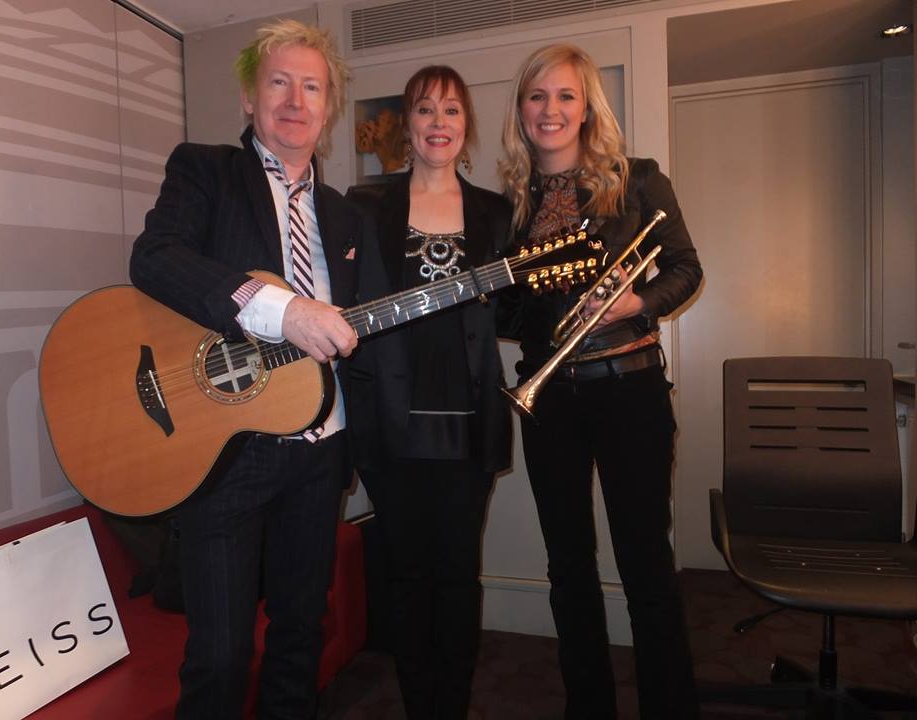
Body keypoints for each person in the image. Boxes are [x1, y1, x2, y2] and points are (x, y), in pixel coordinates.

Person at [129, 20, 361, 720]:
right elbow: (155, 259)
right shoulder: (205, 170)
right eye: (278, 82)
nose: (295, 100)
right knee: (221, 657)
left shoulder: (343, 215)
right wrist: (281, 310)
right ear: (248, 98)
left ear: (328, 107)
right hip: (227, 453)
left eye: (311, 87)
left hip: (319, 450)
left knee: (300, 637)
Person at [497, 43, 703, 719]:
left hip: (629, 388)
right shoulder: (513, 206)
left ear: (587, 108)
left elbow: (686, 268)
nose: (550, 109)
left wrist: (636, 301)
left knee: (645, 562)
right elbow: (511, 316)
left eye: (565, 95)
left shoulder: (636, 179)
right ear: (522, 110)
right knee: (567, 566)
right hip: (550, 398)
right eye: (536, 96)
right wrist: (495, 294)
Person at [345, 66, 512, 719]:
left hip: (467, 425)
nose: (438, 123)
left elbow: (513, 316)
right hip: (390, 423)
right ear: (407, 125)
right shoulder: (364, 205)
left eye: (451, 110)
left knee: (458, 577)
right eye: (424, 110)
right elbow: (338, 308)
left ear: (466, 124)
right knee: (407, 578)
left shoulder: (496, 212)